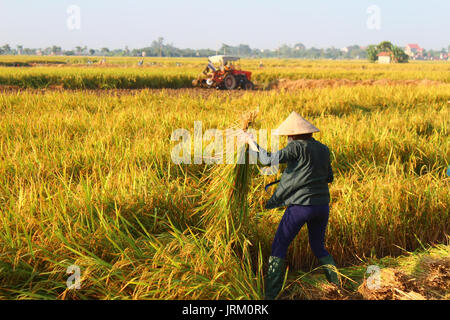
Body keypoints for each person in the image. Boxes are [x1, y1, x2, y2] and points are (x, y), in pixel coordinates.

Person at [242, 111, 339, 300]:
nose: (287, 139)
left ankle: (270, 296)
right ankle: (337, 284)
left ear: (293, 135)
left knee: (279, 246)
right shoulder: (323, 149)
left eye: (288, 136)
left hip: (301, 207)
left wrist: (251, 142)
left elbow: (268, 159)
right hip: (322, 207)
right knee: (319, 247)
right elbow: (329, 177)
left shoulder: (296, 147)